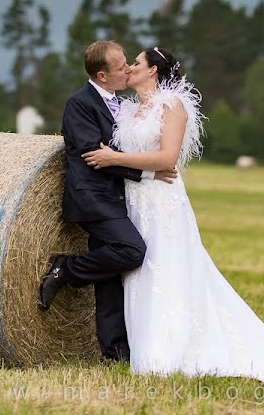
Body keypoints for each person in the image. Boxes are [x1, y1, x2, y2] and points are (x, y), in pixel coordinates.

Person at [81, 46, 264, 383]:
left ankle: (169, 347)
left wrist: (115, 160)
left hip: (162, 203)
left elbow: (167, 159)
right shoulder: (128, 111)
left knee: (166, 267)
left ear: (152, 71)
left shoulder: (173, 106)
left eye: (136, 63)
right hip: (134, 202)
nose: (129, 68)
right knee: (138, 271)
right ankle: (138, 344)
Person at [37, 40, 177, 363]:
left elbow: (118, 151)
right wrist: (149, 174)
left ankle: (114, 352)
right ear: (102, 75)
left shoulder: (123, 104)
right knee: (133, 251)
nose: (127, 69)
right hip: (93, 198)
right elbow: (95, 156)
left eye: (129, 63)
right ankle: (67, 268)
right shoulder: (79, 105)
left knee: (111, 276)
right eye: (120, 67)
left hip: (119, 198)